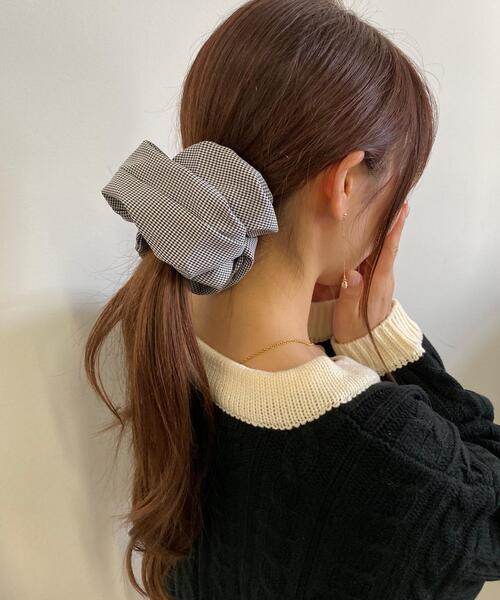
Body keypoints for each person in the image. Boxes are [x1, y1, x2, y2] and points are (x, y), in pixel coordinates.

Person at [85, 1, 500, 599]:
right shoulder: (393, 451)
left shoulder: (162, 321)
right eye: (396, 191)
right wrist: (389, 346)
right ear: (346, 182)